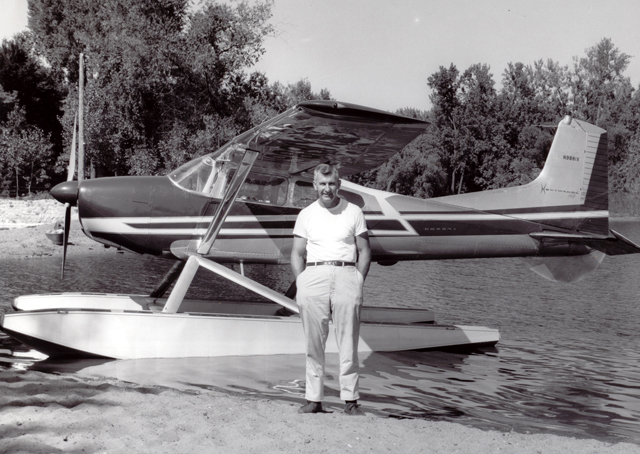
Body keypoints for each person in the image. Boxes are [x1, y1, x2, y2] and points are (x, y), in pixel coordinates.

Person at [290, 163, 371, 416]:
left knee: (348, 342)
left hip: (347, 274)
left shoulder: (354, 212)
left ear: (339, 184)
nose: (327, 189)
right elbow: (296, 253)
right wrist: (301, 281)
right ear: (315, 185)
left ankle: (351, 401)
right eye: (322, 184)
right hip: (313, 276)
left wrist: (358, 279)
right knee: (314, 343)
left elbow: (365, 251)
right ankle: (314, 400)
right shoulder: (306, 214)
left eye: (331, 183)